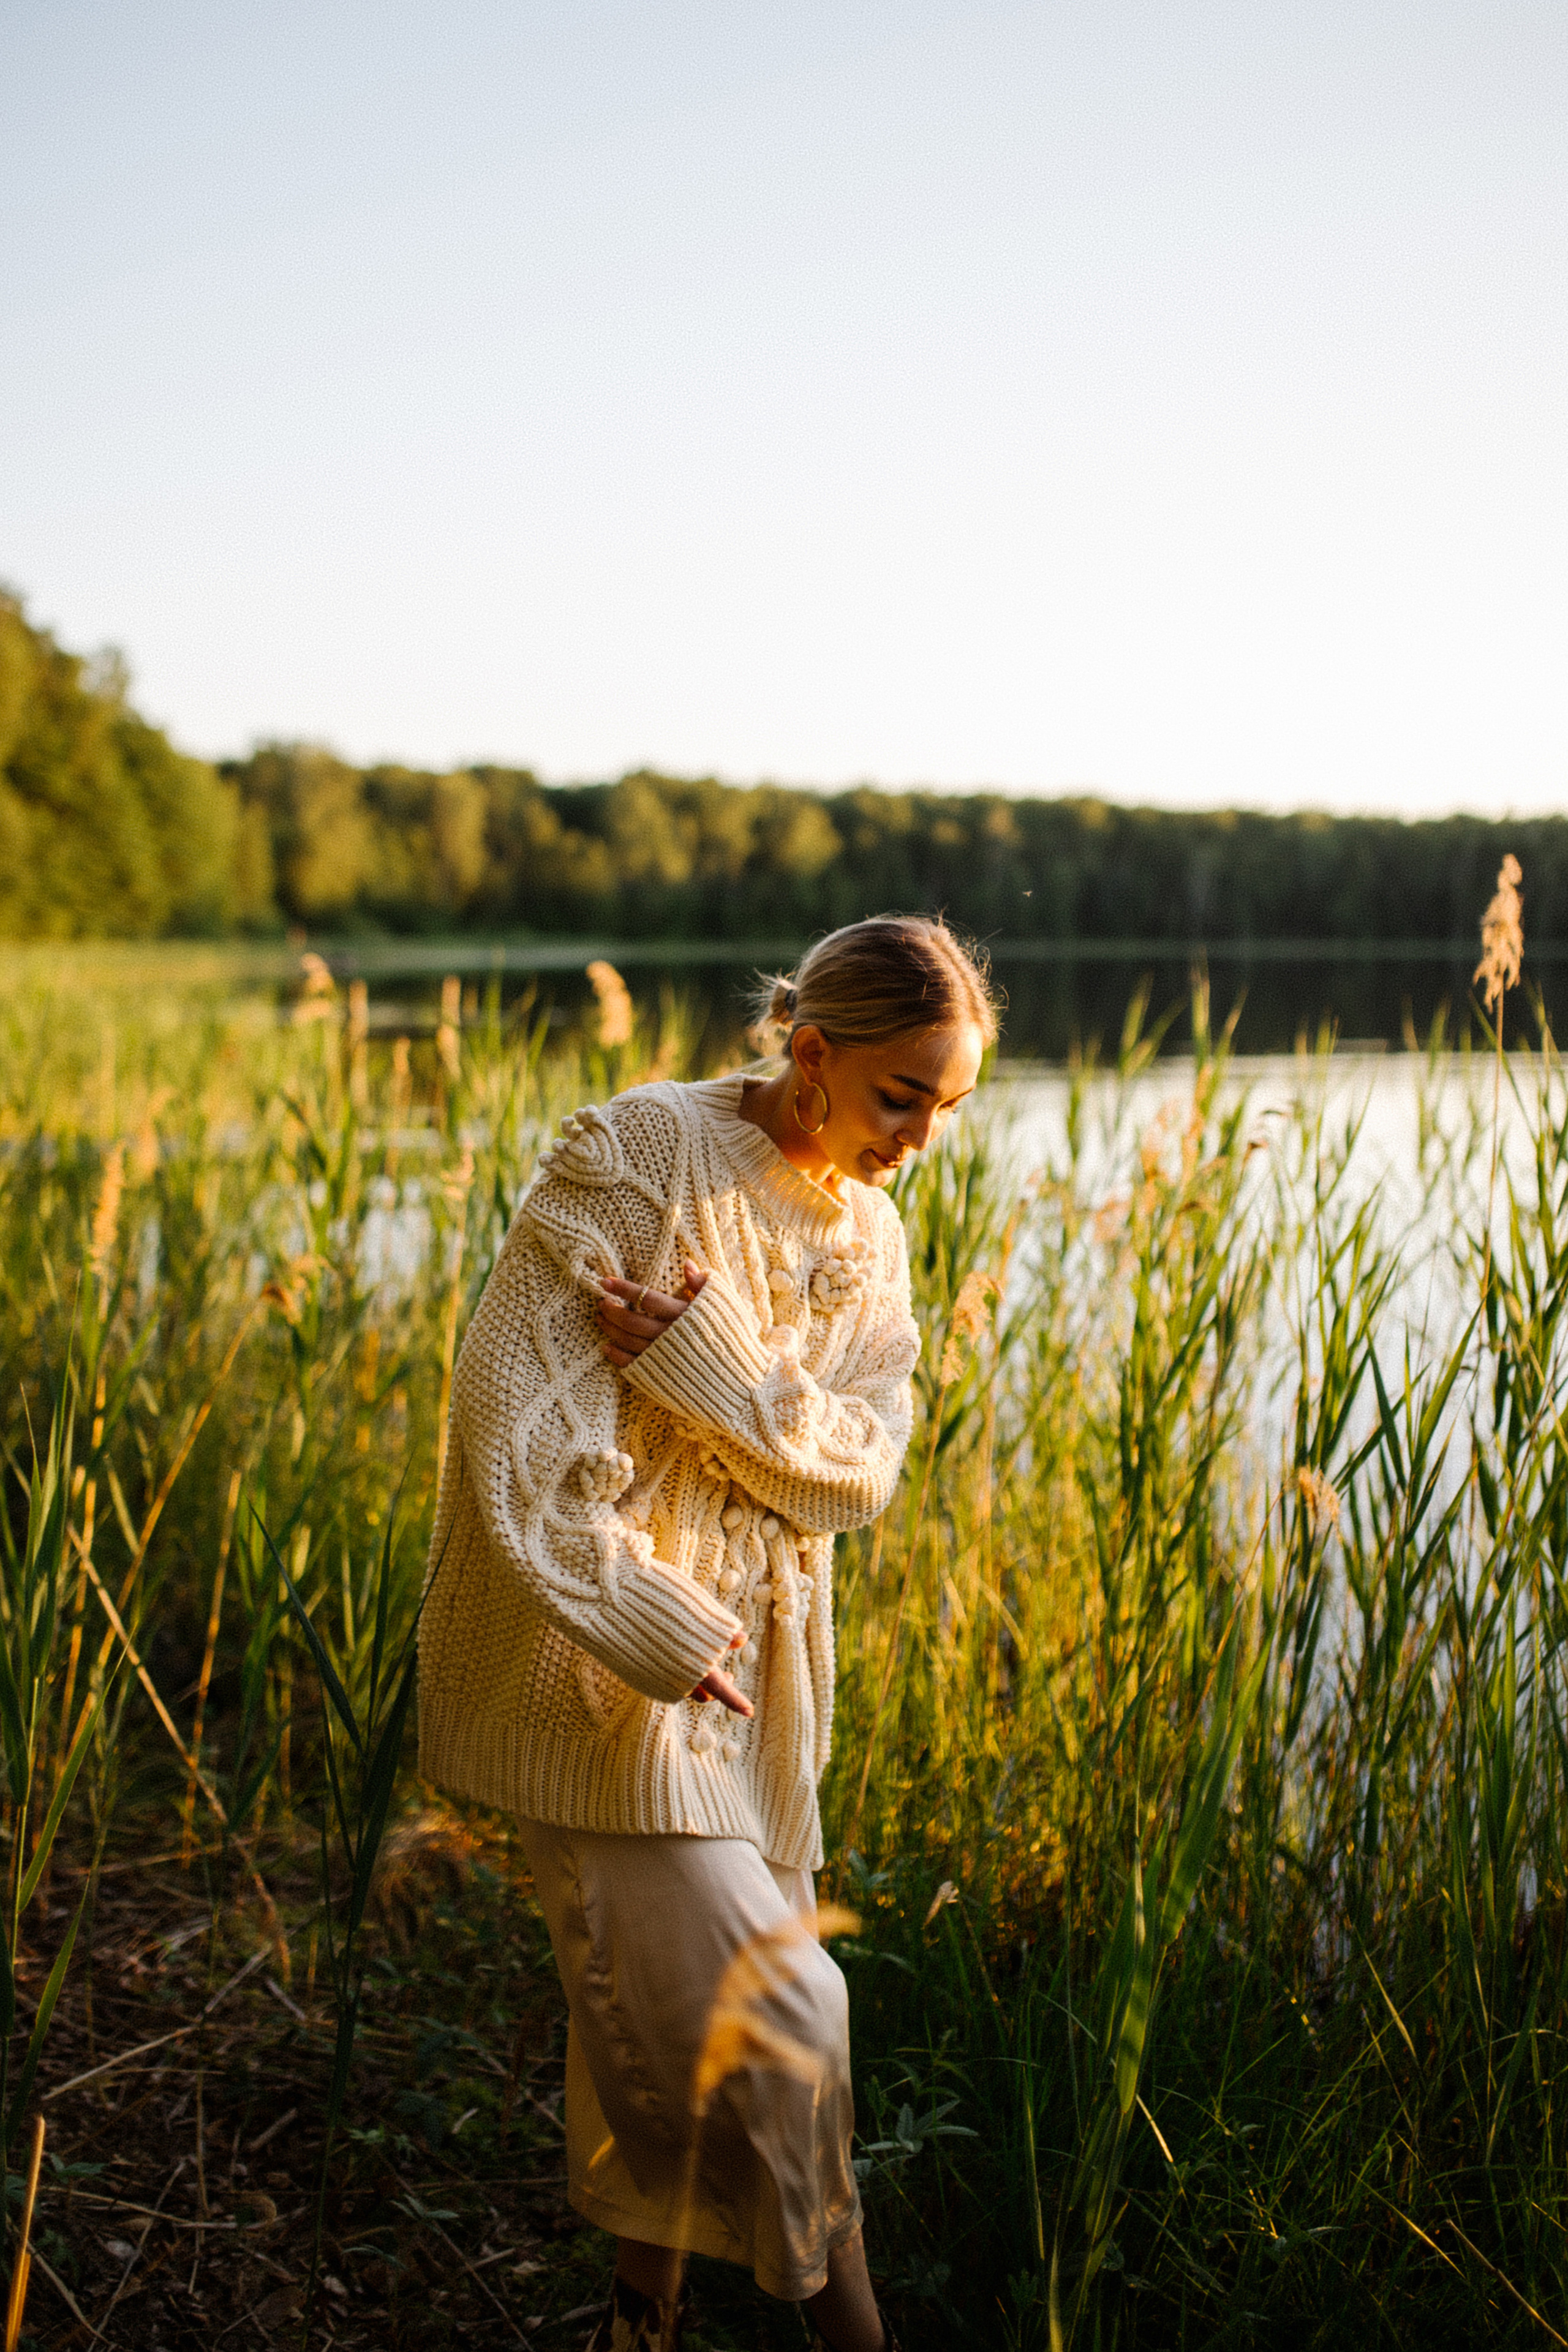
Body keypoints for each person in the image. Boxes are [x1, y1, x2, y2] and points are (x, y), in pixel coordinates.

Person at [418, 916, 998, 2352]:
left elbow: (860, 1473)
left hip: (763, 1698)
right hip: (607, 1677)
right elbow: (512, 1425)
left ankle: (640, 2320)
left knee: (664, 2032)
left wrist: (705, 1368)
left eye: (949, 1105)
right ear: (811, 1053)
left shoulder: (872, 1232)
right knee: (784, 2028)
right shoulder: (636, 1154)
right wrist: (641, 1615)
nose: (921, 1137)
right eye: (898, 1096)